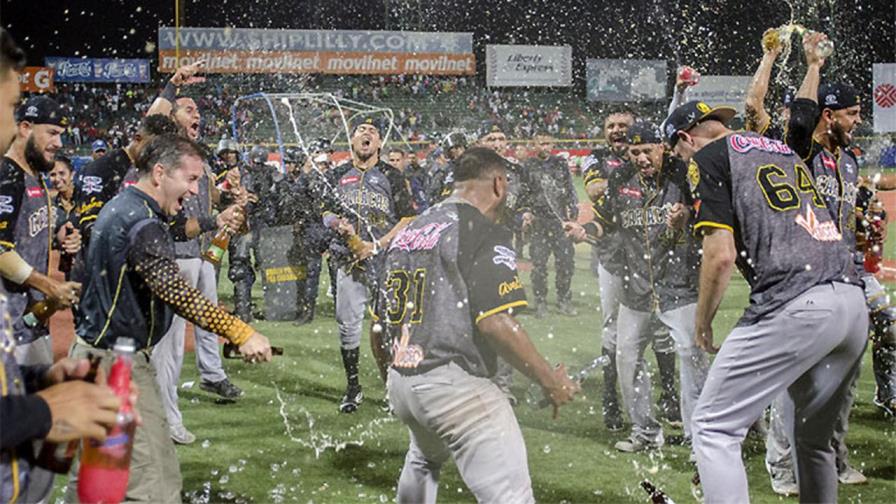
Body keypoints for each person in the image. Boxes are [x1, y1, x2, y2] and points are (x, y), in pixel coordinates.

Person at [667, 99, 866, 503]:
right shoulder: (776, 146)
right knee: (813, 441)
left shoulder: (704, 157)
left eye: (677, 151)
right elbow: (805, 107)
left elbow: (720, 256)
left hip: (797, 302)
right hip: (850, 301)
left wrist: (703, 322)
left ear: (685, 139)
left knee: (713, 427)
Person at [68, 133, 272, 503]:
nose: (195, 191)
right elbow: (177, 293)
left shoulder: (127, 207)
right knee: (154, 484)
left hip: (94, 359)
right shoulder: (141, 221)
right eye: (190, 179)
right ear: (160, 173)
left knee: (94, 481)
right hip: (116, 367)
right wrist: (240, 331)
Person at [372, 147, 579, 504]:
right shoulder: (480, 228)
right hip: (452, 383)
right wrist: (550, 380)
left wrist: (392, 378)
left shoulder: (411, 228)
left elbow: (379, 324)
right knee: (510, 496)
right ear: (498, 184)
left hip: (403, 378)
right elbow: (495, 322)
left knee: (423, 460)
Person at [0, 27, 123, 504]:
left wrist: (36, 385)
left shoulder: (37, 181)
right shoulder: (9, 177)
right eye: (11, 110)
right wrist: (42, 411)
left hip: (24, 323)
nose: (11, 125)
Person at [761, 33, 873, 494]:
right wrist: (812, 65)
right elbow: (801, 120)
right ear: (829, 115)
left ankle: (835, 456)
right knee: (797, 382)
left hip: (846, 279)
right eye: (850, 113)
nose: (858, 120)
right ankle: (783, 467)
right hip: (805, 282)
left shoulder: (847, 161)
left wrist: (863, 230)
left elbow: (846, 219)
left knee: (843, 383)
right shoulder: (802, 154)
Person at [566, 121, 708, 453]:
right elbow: (605, 221)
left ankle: (698, 436)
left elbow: (709, 214)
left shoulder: (683, 175)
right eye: (635, 152)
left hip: (679, 285)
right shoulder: (619, 179)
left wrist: (688, 214)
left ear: (662, 147)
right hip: (637, 287)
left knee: (691, 356)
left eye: (647, 150)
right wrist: (583, 230)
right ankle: (645, 433)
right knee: (627, 357)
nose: (641, 158)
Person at [581, 109, 679, 431]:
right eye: (610, 126)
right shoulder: (597, 160)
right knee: (614, 332)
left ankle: (669, 398)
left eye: (624, 126)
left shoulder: (655, 167)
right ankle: (611, 402)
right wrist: (629, 170)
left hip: (654, 261)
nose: (617, 131)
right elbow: (596, 194)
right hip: (613, 261)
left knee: (664, 331)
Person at [322, 117, 416, 413]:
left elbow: (407, 218)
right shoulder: (337, 174)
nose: (367, 134)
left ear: (379, 144)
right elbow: (324, 211)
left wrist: (376, 245)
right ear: (351, 141)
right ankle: (353, 388)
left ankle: (392, 387)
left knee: (389, 328)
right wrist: (337, 223)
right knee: (348, 327)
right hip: (348, 262)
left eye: (373, 132)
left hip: (385, 262)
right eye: (361, 130)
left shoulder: (392, 175)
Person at [0, 96, 82, 368]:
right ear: (25, 128)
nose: (58, 143)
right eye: (52, 133)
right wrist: (50, 285)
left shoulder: (35, 176)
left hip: (30, 319)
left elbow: (28, 229)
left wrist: (61, 235)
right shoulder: (7, 176)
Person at [474, 121, 532, 405]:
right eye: (491, 138)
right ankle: (474, 381)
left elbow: (525, 203)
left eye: (501, 138)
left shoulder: (517, 172)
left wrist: (525, 215)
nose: (497, 142)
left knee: (505, 316)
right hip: (469, 251)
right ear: (481, 142)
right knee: (467, 318)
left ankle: (502, 385)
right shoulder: (467, 171)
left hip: (500, 251)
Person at [521, 132, 578, 318]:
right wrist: (527, 212)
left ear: (552, 144)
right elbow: (524, 192)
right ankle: (540, 302)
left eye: (548, 143)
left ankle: (564, 299)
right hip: (539, 222)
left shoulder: (560, 163)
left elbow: (570, 189)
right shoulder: (528, 166)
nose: (545, 147)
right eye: (541, 143)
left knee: (566, 263)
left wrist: (573, 210)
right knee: (539, 265)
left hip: (560, 222)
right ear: (534, 145)